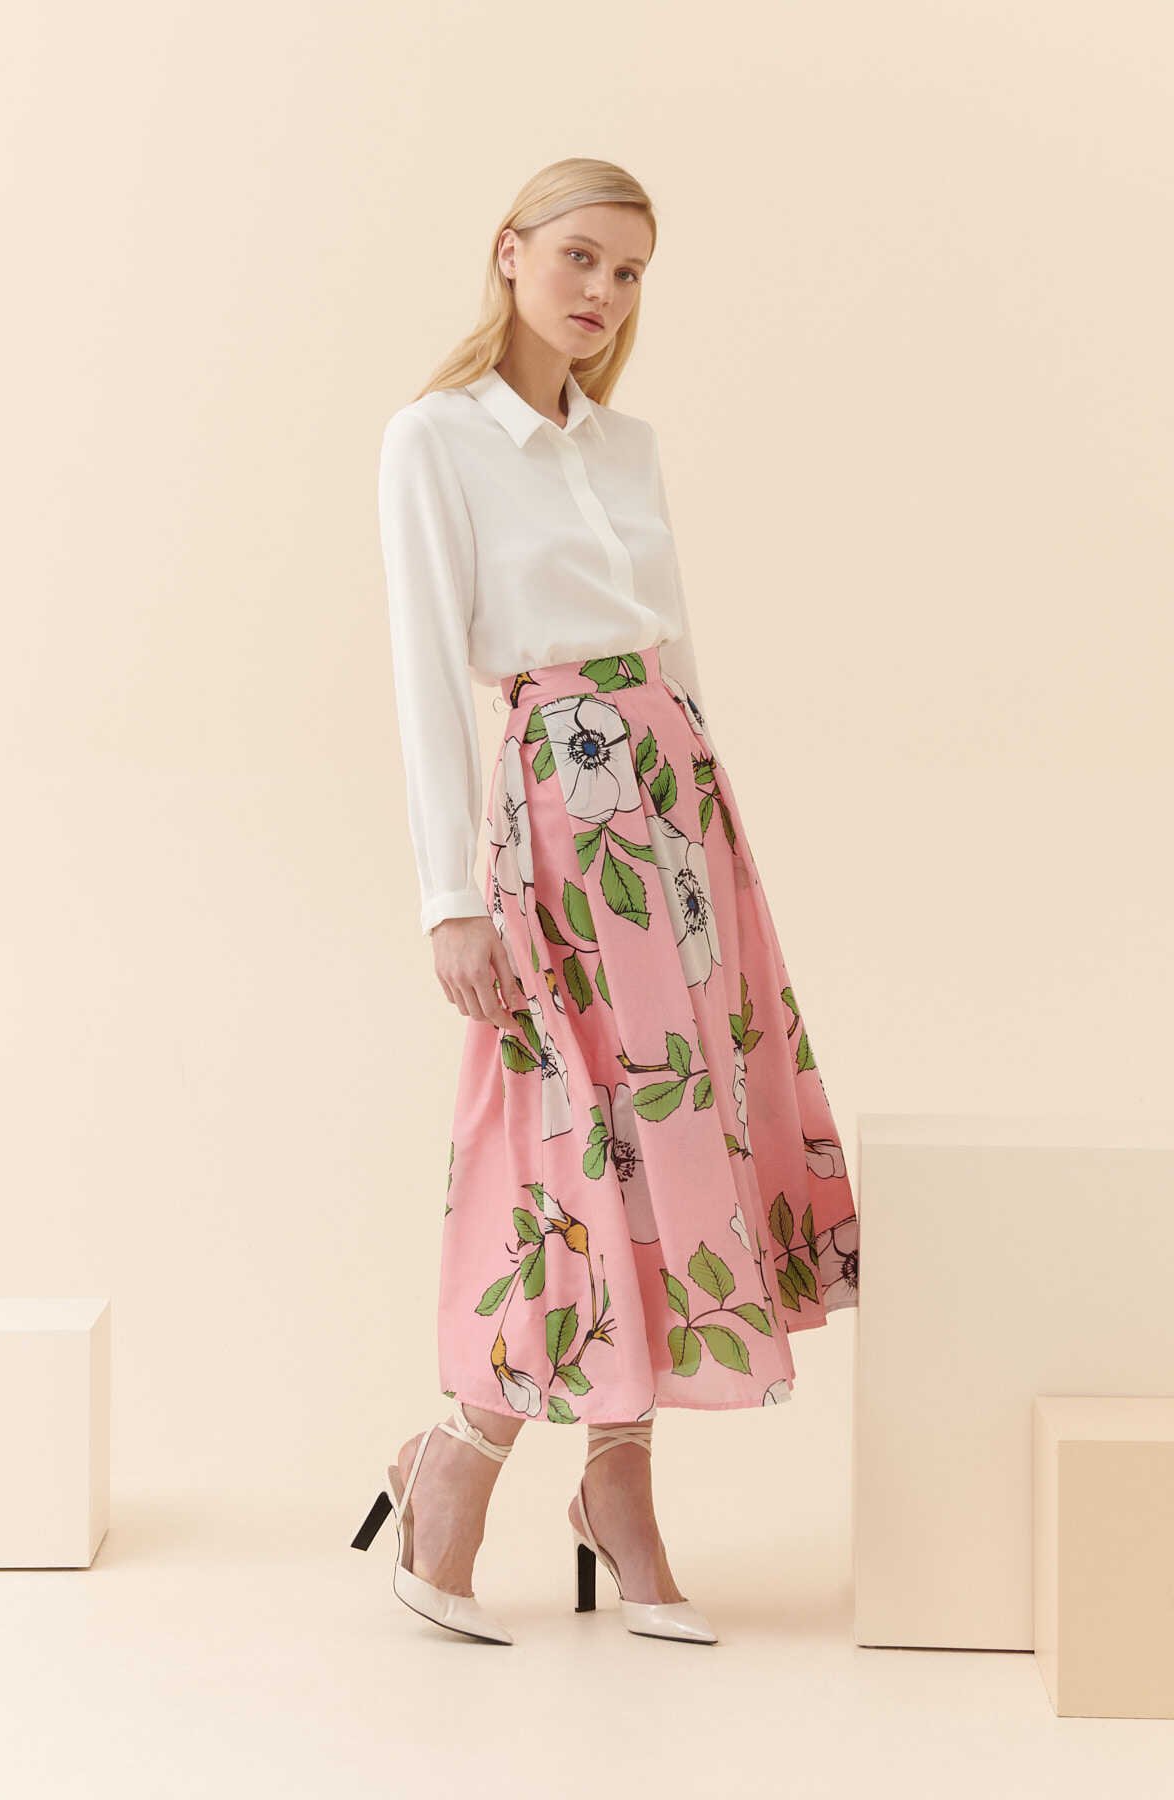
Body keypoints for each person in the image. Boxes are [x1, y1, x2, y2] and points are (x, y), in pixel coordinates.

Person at [352, 157, 860, 1645]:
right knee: (563, 1137)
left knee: (676, 1133)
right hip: (556, 811)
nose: (603, 292)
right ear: (509, 252)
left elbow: (674, 647)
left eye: (630, 272)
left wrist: (714, 849)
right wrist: (450, 897)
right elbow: (425, 677)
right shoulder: (435, 439)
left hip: (676, 810)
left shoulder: (625, 446)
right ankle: (457, 1462)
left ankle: (618, 1487)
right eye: (580, 256)